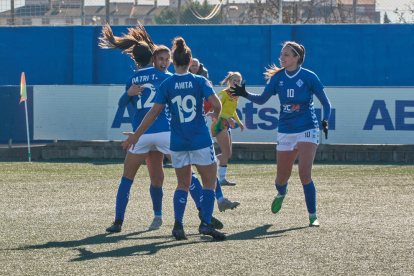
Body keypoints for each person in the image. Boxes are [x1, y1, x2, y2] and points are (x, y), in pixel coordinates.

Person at [100, 24, 224, 233]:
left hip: (142, 134)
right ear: (153, 58)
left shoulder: (132, 79)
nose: (164, 62)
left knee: (127, 178)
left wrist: (130, 98)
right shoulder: (167, 78)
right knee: (187, 177)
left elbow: (123, 104)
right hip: (167, 133)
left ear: (135, 60)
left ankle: (118, 222)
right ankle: (205, 215)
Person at [231, 41, 331, 227]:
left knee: (304, 174)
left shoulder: (309, 77)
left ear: (296, 58)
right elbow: (262, 99)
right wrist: (244, 94)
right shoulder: (277, 78)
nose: (281, 58)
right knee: (281, 177)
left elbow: (326, 103)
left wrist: (325, 120)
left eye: (286, 55)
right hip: (286, 130)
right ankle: (281, 192)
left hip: (307, 127)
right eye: (281, 54)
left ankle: (313, 216)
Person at [208, 72, 245, 186]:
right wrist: (228, 118)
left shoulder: (236, 94)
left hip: (226, 123)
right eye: (235, 81)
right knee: (225, 152)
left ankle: (208, 163)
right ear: (230, 81)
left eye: (239, 81)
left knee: (228, 153)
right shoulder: (224, 93)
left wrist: (239, 122)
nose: (237, 83)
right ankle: (222, 179)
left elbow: (232, 111)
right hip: (219, 122)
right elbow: (216, 109)